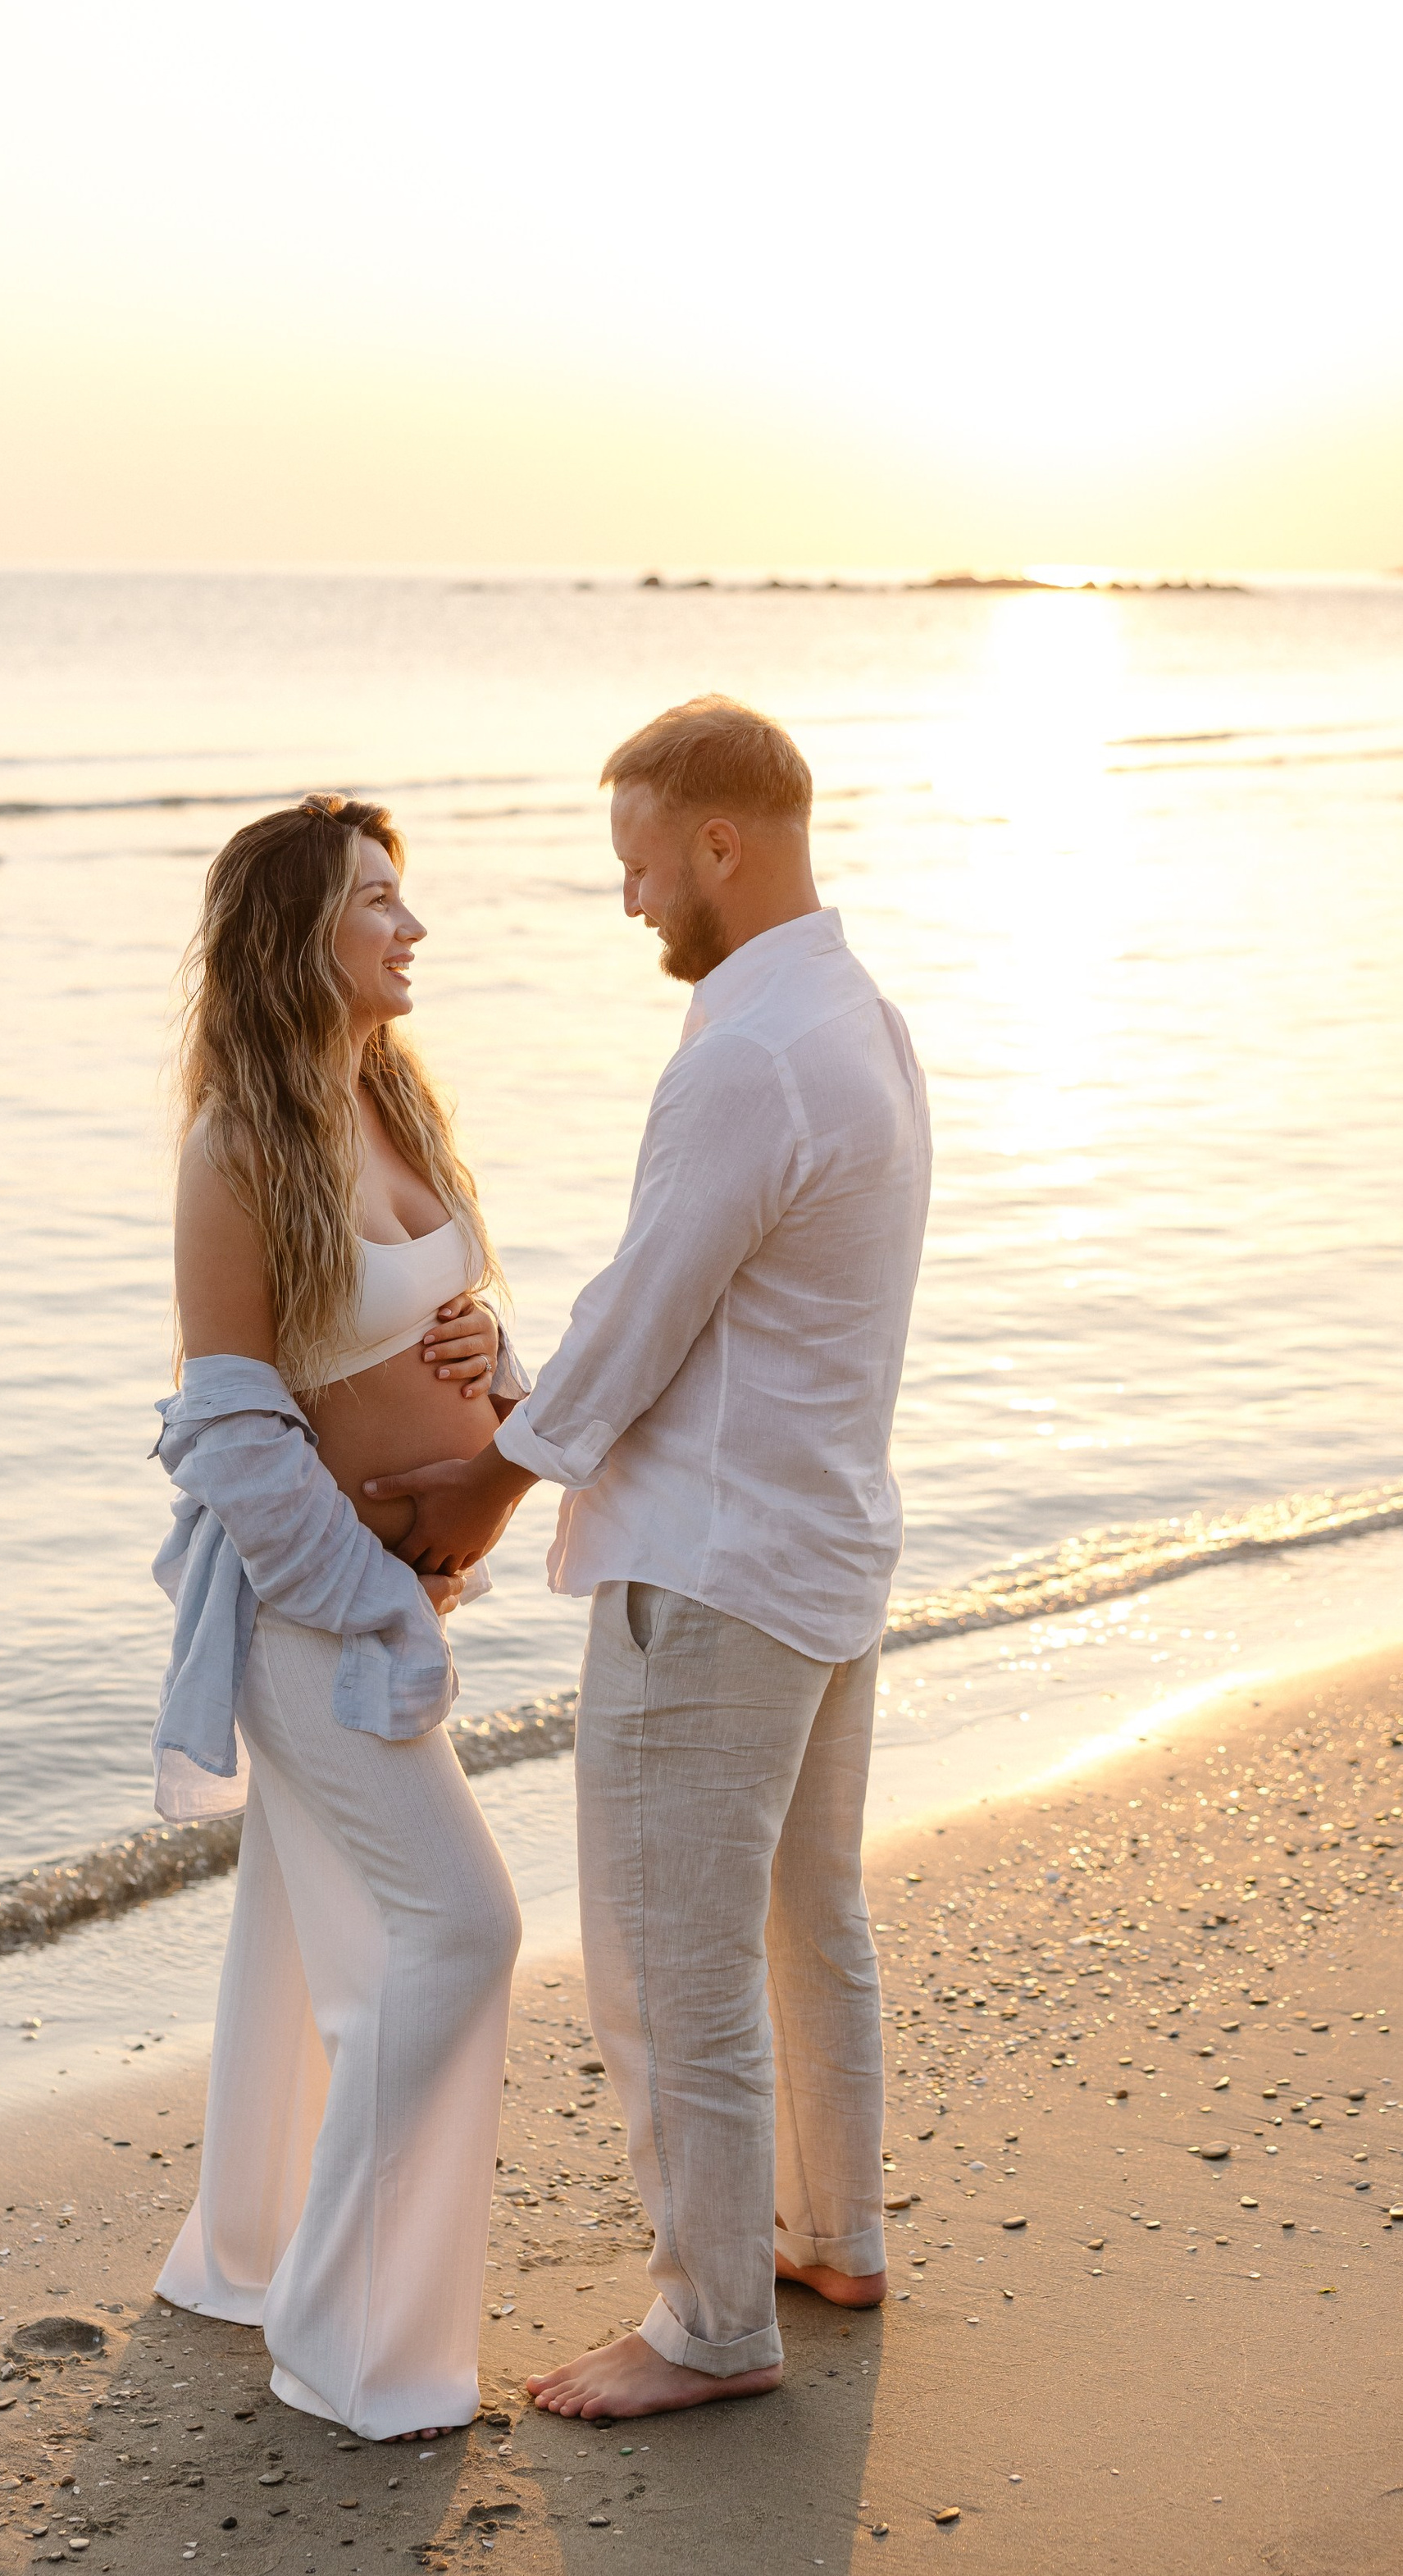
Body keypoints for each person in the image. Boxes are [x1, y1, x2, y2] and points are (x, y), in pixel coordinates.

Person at [368, 695, 932, 2421]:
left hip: (715, 1575)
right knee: (799, 1920)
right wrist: (533, 1382)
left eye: (634, 862)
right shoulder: (855, 1017)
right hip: (816, 1542)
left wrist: (485, 1482)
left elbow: (658, 1304)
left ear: (716, 843)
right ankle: (829, 2233)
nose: (625, 901)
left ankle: (707, 2321)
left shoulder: (748, 1051)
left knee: (665, 1957)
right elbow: (717, 1314)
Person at [149, 793, 526, 2442]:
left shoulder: (393, 1101)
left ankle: (239, 2258)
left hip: (391, 1584)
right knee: (461, 1927)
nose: (413, 925)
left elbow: (449, 1322)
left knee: (302, 1932)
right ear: (300, 935)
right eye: (379, 898)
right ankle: (342, 2333)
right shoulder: (235, 1152)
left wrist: (489, 1375)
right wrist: (381, 1597)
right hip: (313, 1618)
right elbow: (231, 1433)